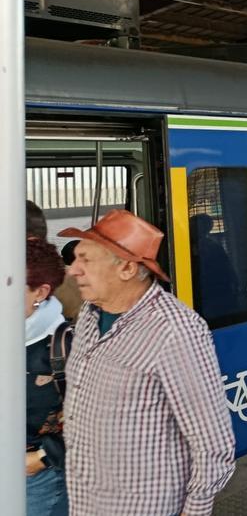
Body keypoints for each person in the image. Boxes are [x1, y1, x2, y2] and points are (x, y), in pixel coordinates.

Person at [59, 210, 235, 514]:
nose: (73, 270)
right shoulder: (90, 313)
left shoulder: (174, 331)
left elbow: (213, 443)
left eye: (85, 260)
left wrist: (195, 510)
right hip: (87, 501)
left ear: (127, 268)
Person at [25, 238, 69, 516]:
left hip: (36, 480)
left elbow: (98, 421)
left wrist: (42, 458)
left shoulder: (63, 347)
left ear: (40, 292)